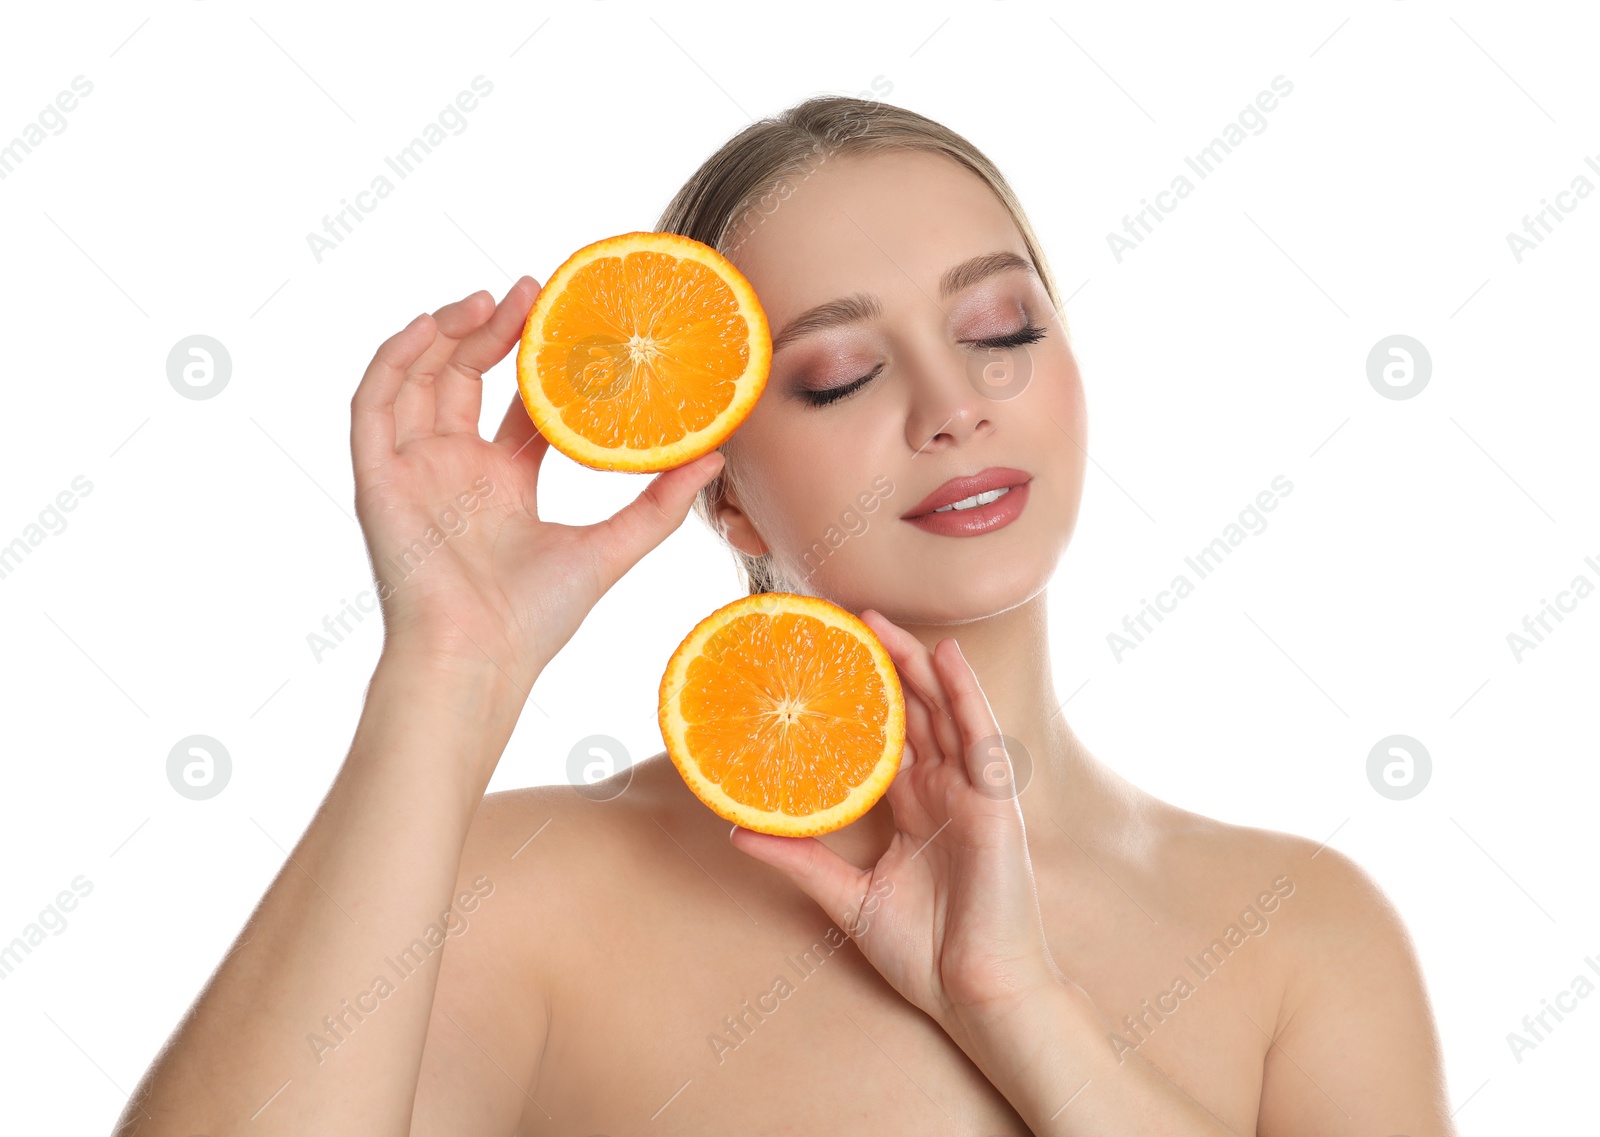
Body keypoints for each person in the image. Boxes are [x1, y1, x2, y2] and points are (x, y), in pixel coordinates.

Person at [116, 95, 1457, 1136]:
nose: (951, 401)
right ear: (731, 501)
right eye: (838, 374)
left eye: (1000, 326)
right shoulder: (532, 897)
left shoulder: (1303, 934)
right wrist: (446, 674)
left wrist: (1021, 1012)